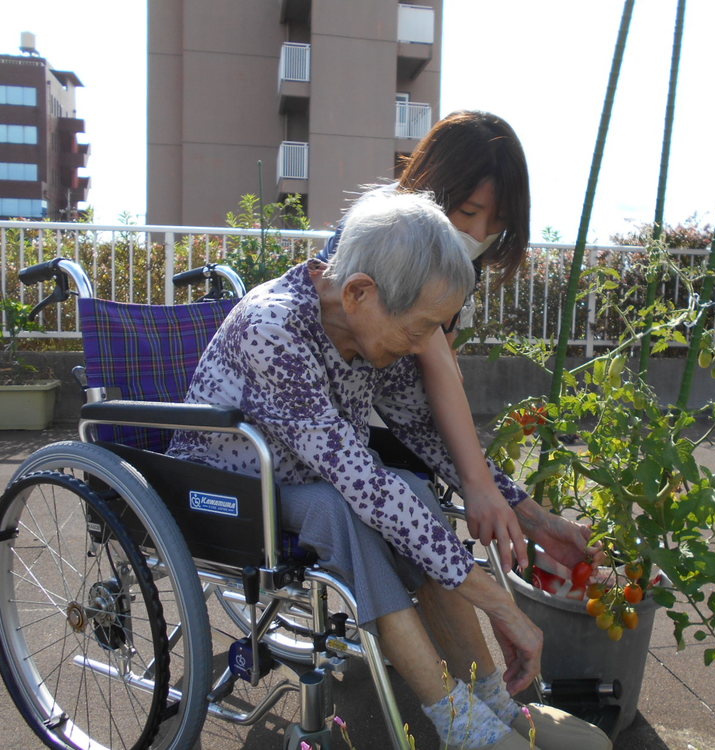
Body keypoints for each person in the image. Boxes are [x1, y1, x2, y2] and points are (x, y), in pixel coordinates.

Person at [170, 191, 610, 750]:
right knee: (352, 507)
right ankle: (460, 726)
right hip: (223, 495)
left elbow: (429, 437)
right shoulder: (273, 329)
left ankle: (494, 704)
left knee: (413, 492)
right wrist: (499, 603)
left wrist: (536, 517)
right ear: (359, 293)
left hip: (301, 485)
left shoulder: (369, 328)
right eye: (420, 328)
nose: (424, 345)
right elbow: (357, 482)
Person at [318, 110, 534, 578]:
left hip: (391, 406)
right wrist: (477, 482)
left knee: (429, 492)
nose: (478, 235)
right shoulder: (384, 228)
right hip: (337, 418)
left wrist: (483, 478)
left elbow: (442, 355)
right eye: (470, 213)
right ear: (433, 189)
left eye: (496, 223)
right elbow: (432, 353)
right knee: (416, 509)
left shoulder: (463, 258)